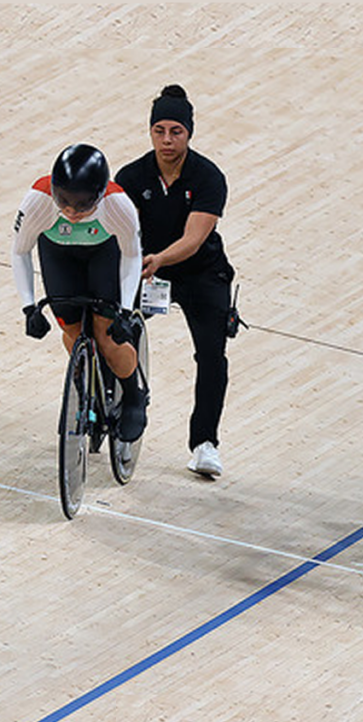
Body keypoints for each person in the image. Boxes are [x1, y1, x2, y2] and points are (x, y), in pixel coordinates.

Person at [115, 84, 236, 478]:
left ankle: (204, 443)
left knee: (212, 356)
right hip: (146, 269)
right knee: (112, 330)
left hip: (198, 271)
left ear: (190, 133)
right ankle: (112, 407)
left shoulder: (208, 177)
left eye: (176, 132)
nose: (167, 140)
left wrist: (160, 259)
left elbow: (193, 238)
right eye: (159, 131)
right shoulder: (131, 176)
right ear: (150, 132)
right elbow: (122, 230)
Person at [12, 144, 148, 441]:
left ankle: (134, 396)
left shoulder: (118, 204)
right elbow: (20, 251)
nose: (72, 213)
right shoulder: (38, 198)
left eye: (83, 206)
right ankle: (84, 378)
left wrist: (124, 310)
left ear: (99, 196)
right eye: (64, 204)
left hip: (104, 254)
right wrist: (28, 307)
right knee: (72, 331)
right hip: (59, 255)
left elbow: (132, 256)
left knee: (108, 336)